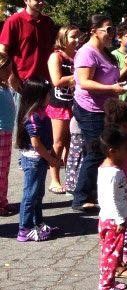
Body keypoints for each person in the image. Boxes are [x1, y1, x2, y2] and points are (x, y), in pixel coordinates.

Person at [71, 15, 127, 213]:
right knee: (95, 151)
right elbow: (84, 82)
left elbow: (110, 77)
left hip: (104, 107)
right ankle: (80, 197)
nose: (112, 34)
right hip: (89, 108)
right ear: (94, 30)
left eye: (113, 30)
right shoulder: (87, 53)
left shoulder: (104, 52)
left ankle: (94, 193)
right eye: (108, 29)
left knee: (101, 150)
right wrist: (112, 88)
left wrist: (119, 85)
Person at [15, 79, 61, 242]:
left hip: (40, 159)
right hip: (34, 160)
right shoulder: (33, 117)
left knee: (38, 193)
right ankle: (24, 229)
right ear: (38, 97)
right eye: (47, 94)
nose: (49, 96)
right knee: (30, 194)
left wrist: (51, 156)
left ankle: (38, 223)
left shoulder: (41, 112)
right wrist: (51, 159)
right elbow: (36, 144)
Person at [96, 127, 127, 290]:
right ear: (113, 151)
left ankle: (108, 282)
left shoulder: (106, 169)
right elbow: (110, 199)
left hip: (109, 218)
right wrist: (119, 219)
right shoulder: (113, 173)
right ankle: (105, 288)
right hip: (113, 220)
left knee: (108, 253)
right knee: (111, 254)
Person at [0, 0, 56, 88]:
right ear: (26, 0)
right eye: (37, 0)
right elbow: (2, 51)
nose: (41, 3)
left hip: (44, 82)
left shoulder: (48, 22)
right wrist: (10, 75)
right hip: (21, 82)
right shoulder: (14, 21)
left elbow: (54, 49)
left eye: (43, 0)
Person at [46, 24, 81, 194]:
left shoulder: (79, 56)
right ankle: (54, 179)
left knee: (71, 142)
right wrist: (78, 77)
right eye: (73, 37)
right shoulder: (56, 56)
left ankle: (70, 179)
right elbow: (56, 80)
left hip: (76, 104)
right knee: (58, 142)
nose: (76, 40)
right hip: (59, 104)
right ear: (63, 38)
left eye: (77, 37)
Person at [0, 53, 17, 216]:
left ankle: (3, 201)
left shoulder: (5, 87)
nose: (10, 73)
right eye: (6, 70)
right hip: (0, 133)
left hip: (6, 132)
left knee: (4, 170)